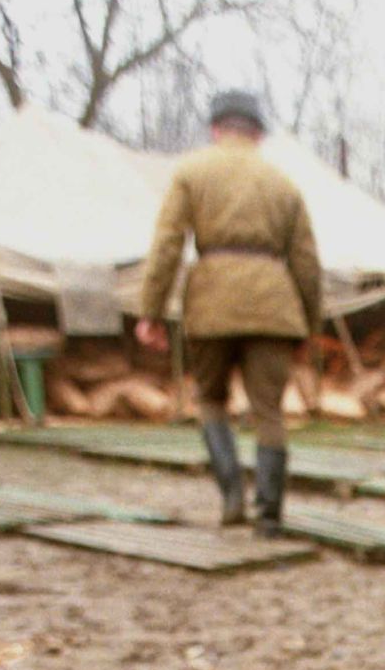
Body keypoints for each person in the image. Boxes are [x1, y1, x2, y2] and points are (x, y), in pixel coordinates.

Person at [136, 91, 321, 535]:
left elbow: (167, 245)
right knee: (269, 412)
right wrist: (310, 324)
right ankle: (270, 517)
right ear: (257, 134)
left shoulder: (192, 172)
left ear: (216, 129)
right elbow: (307, 263)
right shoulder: (283, 184)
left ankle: (232, 495)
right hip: (274, 307)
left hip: (211, 304)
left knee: (211, 400)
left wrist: (152, 311)